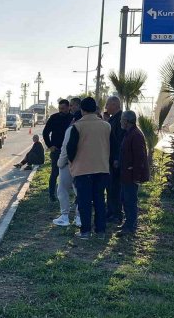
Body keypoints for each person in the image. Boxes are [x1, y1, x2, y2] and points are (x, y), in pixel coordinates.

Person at [66, 97, 111, 239]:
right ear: (95, 108)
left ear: (82, 110)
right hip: (102, 168)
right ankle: (101, 231)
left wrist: (72, 163)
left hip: (83, 169)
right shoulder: (106, 126)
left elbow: (70, 149)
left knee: (84, 202)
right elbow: (113, 145)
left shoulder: (77, 126)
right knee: (99, 200)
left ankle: (85, 231)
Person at [117, 111, 150, 237]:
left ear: (126, 121)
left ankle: (130, 226)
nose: (120, 122)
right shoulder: (129, 133)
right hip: (126, 174)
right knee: (125, 199)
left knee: (130, 200)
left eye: (122, 119)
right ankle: (128, 223)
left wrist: (136, 176)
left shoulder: (136, 135)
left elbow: (139, 157)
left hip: (131, 175)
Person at [54, 110, 82, 227]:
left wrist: (60, 163)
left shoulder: (71, 129)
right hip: (82, 165)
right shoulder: (90, 129)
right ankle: (79, 217)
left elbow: (65, 148)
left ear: (74, 119)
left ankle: (65, 216)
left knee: (62, 190)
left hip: (67, 165)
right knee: (80, 192)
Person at [42, 99, 73, 202]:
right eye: (60, 108)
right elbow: (45, 133)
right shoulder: (54, 118)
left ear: (69, 107)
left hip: (70, 151)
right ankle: (51, 195)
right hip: (57, 150)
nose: (61, 110)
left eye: (63, 109)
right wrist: (50, 145)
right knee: (54, 173)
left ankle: (71, 194)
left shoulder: (73, 118)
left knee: (72, 173)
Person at [105, 96, 124, 224]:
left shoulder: (120, 120)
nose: (106, 107)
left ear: (114, 105)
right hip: (111, 159)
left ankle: (116, 214)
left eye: (108, 105)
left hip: (115, 160)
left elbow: (119, 141)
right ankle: (111, 211)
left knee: (115, 188)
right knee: (110, 187)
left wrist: (117, 158)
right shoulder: (113, 119)